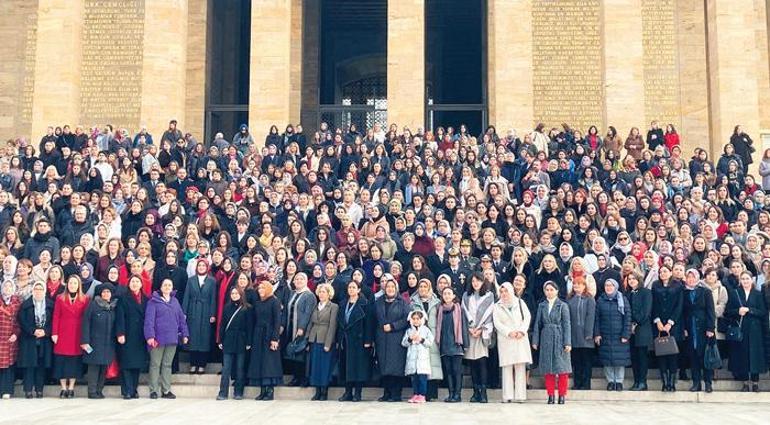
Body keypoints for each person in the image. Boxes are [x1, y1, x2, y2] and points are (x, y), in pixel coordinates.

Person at [144, 278, 190, 399]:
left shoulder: (175, 301)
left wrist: (185, 334)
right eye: (165, 285)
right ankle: (153, 390)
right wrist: (150, 336)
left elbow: (181, 319)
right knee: (155, 364)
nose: (167, 287)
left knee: (167, 365)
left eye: (169, 285)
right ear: (161, 287)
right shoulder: (153, 301)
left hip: (172, 339)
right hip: (157, 339)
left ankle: (166, 390)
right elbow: (149, 321)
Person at [725, 271, 768, 392]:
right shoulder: (735, 293)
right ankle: (744, 382)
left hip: (755, 331)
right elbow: (728, 312)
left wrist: (750, 310)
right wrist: (737, 311)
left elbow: (763, 312)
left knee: (755, 356)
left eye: (747, 279)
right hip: (741, 328)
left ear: (752, 280)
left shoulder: (758, 294)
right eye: (743, 279)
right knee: (742, 355)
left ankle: (755, 382)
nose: (745, 281)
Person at [532, 281, 572, 405]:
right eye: (547, 290)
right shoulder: (542, 305)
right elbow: (537, 324)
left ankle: (562, 395)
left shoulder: (562, 305)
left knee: (562, 369)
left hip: (559, 337)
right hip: (546, 337)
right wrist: (535, 340)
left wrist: (567, 342)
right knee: (548, 369)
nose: (549, 292)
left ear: (556, 291)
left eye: (551, 290)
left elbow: (567, 324)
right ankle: (550, 395)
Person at [493, 282, 532, 403]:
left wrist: (521, 331)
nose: (504, 294)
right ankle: (507, 396)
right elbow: (497, 322)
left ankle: (520, 396)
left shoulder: (520, 302)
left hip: (520, 338)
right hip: (506, 339)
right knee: (507, 368)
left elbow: (527, 317)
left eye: (506, 291)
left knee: (520, 367)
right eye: (502, 292)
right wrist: (508, 332)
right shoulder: (497, 306)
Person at [52, 275, 89, 398]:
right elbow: (56, 316)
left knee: (74, 361)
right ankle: (63, 388)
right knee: (61, 361)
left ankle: (71, 387)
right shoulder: (60, 298)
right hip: (63, 332)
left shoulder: (85, 299)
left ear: (79, 285)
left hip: (77, 332)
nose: (72, 285)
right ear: (67, 285)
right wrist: (54, 333)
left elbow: (86, 318)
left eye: (75, 283)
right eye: (70, 283)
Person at [374, 274, 409, 402]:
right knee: (384, 366)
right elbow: (375, 319)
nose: (389, 289)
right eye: (387, 286)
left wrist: (393, 326)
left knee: (396, 367)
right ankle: (386, 393)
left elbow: (406, 319)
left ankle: (396, 394)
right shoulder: (378, 302)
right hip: (382, 338)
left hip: (396, 338)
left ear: (396, 288)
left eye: (392, 287)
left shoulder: (402, 303)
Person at [336, 280, 373, 402]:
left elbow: (368, 324)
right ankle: (347, 392)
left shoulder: (365, 304)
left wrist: (368, 340)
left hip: (359, 339)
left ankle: (357, 393)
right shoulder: (342, 304)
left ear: (358, 290)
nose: (351, 289)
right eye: (349, 287)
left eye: (354, 287)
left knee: (358, 367)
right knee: (346, 366)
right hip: (346, 339)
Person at [461, 272, 494, 403]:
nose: (476, 283)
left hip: (482, 333)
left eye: (478, 281)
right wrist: (469, 329)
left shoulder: (489, 296)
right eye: (473, 281)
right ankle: (475, 392)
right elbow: (464, 313)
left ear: (483, 282)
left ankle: (483, 392)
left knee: (481, 363)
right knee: (472, 364)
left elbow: (490, 314)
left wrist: (481, 329)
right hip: (470, 333)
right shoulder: (466, 296)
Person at [681, 269, 716, 392]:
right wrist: (684, 328)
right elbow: (683, 312)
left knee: (705, 355)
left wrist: (710, 328)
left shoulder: (705, 292)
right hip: (690, 328)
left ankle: (708, 382)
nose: (691, 279)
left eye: (693, 277)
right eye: (688, 277)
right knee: (693, 356)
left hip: (704, 327)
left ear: (697, 278)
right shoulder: (684, 292)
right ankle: (696, 382)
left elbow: (711, 311)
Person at [81, 283, 117, 399]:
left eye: (108, 292)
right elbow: (85, 323)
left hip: (108, 343)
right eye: (104, 292)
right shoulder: (93, 305)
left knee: (103, 367)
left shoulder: (112, 307)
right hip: (94, 342)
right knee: (94, 367)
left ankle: (99, 390)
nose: (106, 294)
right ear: (100, 294)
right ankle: (92, 391)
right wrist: (85, 340)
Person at [17, 282, 53, 398]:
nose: (38, 291)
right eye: (36, 289)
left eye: (41, 289)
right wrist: (33, 331)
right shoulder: (25, 305)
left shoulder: (50, 305)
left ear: (44, 291)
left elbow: (54, 321)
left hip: (44, 339)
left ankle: (39, 389)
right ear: (32, 291)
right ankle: (28, 390)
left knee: (41, 365)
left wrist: (46, 331)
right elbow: (22, 321)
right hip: (29, 339)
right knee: (29, 365)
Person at [594, 279, 631, 391]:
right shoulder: (601, 300)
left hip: (619, 335)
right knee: (607, 360)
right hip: (605, 334)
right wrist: (597, 333)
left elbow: (627, 317)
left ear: (615, 287)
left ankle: (619, 381)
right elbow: (597, 319)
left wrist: (626, 334)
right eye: (606, 285)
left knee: (620, 360)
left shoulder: (622, 299)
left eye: (611, 285)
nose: (608, 287)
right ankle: (610, 381)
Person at [115, 274, 149, 400]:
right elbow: (120, 317)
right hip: (127, 334)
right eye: (132, 282)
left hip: (140, 336)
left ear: (141, 284)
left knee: (137, 364)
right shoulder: (123, 298)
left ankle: (134, 389)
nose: (134, 284)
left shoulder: (146, 299)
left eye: (137, 281)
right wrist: (120, 333)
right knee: (126, 364)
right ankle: (127, 390)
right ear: (128, 284)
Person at [248, 281, 283, 401]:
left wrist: (275, 339)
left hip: (269, 334)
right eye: (259, 288)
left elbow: (277, 321)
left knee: (269, 363)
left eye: (263, 288)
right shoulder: (257, 303)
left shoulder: (274, 301)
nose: (260, 290)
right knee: (260, 361)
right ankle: (262, 390)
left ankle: (270, 391)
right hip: (258, 334)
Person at [651, 265, 683, 392]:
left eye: (665, 271)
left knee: (672, 353)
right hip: (659, 324)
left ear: (671, 273)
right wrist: (657, 320)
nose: (662, 273)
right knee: (661, 353)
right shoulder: (655, 285)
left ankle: (672, 382)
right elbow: (653, 304)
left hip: (673, 324)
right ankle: (664, 382)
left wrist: (670, 322)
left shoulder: (678, 286)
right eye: (660, 272)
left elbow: (679, 306)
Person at [409, 278, 442, 401]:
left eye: (425, 286)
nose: (423, 289)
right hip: (417, 338)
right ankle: (418, 393)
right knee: (420, 365)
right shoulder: (413, 302)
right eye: (421, 286)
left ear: (429, 288)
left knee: (432, 365)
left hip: (431, 336)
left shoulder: (437, 302)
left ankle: (430, 393)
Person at [217, 287, 252, 400]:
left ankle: (238, 392)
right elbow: (222, 325)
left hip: (241, 340)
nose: (234, 295)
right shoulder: (227, 307)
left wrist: (248, 342)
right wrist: (220, 339)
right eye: (232, 293)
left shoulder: (247, 308)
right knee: (226, 368)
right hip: (228, 340)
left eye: (237, 293)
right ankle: (223, 393)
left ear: (241, 294)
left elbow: (249, 327)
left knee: (239, 368)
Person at [183, 259, 217, 374]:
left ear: (207, 267)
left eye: (203, 265)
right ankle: (193, 364)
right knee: (193, 338)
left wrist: (213, 313)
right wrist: (184, 312)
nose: (201, 267)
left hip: (206, 310)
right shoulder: (190, 280)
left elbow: (213, 298)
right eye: (199, 265)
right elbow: (186, 296)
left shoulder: (212, 281)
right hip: (193, 310)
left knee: (204, 338)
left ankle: (202, 364)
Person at [306, 283, 338, 401]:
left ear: (329, 294)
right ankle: (317, 391)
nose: (321, 294)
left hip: (325, 339)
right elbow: (311, 323)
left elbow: (332, 325)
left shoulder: (333, 306)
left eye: (324, 292)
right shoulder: (315, 306)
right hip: (314, 338)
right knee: (315, 366)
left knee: (325, 366)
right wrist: (308, 339)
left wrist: (328, 343)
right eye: (320, 292)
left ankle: (324, 391)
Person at [283, 272, 316, 387]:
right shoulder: (292, 293)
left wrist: (302, 327)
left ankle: (302, 378)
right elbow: (287, 311)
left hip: (303, 328)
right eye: (296, 279)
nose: (298, 281)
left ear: (306, 281)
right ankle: (295, 377)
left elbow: (308, 313)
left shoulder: (309, 295)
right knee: (293, 352)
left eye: (301, 279)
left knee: (300, 353)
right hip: (291, 327)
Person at [436, 286, 468, 402]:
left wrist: (465, 343)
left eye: (449, 293)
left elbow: (463, 327)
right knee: (448, 371)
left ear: (453, 296)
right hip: (445, 345)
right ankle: (451, 393)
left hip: (456, 345)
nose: (447, 296)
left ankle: (457, 394)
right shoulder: (440, 309)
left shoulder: (459, 309)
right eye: (445, 294)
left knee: (457, 370)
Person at [566, 277, 595, 390]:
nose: (577, 286)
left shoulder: (589, 299)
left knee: (586, 361)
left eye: (579, 284)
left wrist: (589, 333)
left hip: (586, 336)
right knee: (576, 361)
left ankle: (585, 383)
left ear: (584, 286)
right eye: (575, 284)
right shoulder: (570, 299)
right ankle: (577, 383)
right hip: (574, 335)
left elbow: (590, 316)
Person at [627, 272, 653, 391]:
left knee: (642, 356)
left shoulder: (646, 292)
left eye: (634, 279)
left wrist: (635, 321)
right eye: (629, 279)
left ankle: (643, 381)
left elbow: (646, 312)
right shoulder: (628, 294)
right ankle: (636, 381)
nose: (631, 281)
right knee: (634, 356)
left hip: (642, 328)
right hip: (630, 330)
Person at [401, 309, 433, 403]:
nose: (416, 321)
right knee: (414, 379)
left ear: (422, 319)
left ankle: (422, 395)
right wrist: (410, 339)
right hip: (412, 359)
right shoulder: (409, 331)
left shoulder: (426, 330)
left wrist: (421, 339)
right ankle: (415, 394)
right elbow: (404, 343)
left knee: (422, 379)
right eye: (414, 319)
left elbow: (430, 342)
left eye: (418, 319)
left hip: (422, 360)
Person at [0, 280, 21, 398]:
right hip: (0, 336)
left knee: (9, 366)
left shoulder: (17, 302)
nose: (7, 288)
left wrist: (16, 334)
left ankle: (7, 390)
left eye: (10, 286)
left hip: (11, 338)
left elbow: (19, 320)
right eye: (5, 286)